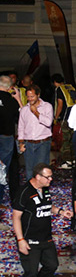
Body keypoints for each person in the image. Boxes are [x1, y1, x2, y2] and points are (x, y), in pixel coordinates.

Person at [12, 163, 73, 277]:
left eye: (51, 177)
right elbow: (16, 217)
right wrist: (20, 240)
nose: (51, 179)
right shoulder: (24, 192)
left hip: (46, 238)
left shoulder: (45, 189)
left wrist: (60, 212)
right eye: (47, 177)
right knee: (31, 272)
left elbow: (47, 205)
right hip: (30, 240)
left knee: (52, 265)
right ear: (38, 177)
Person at [17, 85, 53, 180]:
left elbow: (48, 122)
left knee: (41, 169)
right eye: (28, 97)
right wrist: (21, 143)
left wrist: (36, 112)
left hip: (43, 142)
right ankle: (31, 188)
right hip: (28, 143)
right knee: (29, 170)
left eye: (32, 96)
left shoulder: (47, 106)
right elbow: (21, 127)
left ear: (38, 95)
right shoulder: (24, 109)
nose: (30, 99)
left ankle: (42, 188)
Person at [0, 75, 20, 209]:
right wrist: (18, 99)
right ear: (10, 87)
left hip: (6, 138)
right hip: (6, 137)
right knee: (3, 171)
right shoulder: (12, 101)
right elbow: (22, 117)